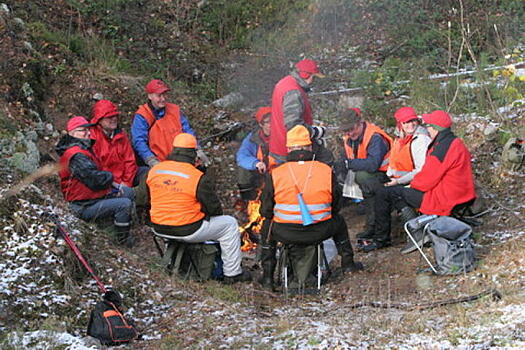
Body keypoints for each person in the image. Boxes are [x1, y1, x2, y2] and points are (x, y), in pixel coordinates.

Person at [259, 125, 363, 291]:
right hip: (319, 231)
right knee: (339, 221)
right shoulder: (326, 171)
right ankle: (348, 264)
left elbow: (265, 210)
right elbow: (336, 206)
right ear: (310, 147)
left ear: (288, 148)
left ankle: (267, 279)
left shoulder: (276, 173)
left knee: (267, 226)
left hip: (285, 232)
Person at [146, 133, 252, 284]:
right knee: (229, 224)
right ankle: (232, 274)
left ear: (174, 149)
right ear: (193, 153)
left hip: (158, 227)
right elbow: (214, 209)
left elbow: (144, 199)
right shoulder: (196, 176)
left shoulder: (156, 170)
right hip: (188, 229)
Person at [373, 110, 476, 254]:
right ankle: (413, 230)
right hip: (461, 193)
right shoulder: (454, 142)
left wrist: (408, 186)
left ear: (435, 128)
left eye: (428, 125)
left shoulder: (441, 148)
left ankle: (408, 235)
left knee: (389, 193)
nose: (426, 128)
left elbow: (426, 180)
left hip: (446, 198)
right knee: (396, 192)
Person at [358, 107, 432, 252]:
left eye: (412, 121)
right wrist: (389, 176)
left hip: (413, 183)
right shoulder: (400, 139)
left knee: (384, 195)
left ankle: (383, 238)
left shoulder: (420, 140)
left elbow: (421, 171)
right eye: (406, 123)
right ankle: (374, 229)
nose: (410, 125)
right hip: (399, 180)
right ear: (400, 124)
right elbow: (394, 162)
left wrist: (397, 182)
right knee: (374, 187)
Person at [56, 116, 134, 247]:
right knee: (124, 204)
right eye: (82, 130)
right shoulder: (76, 155)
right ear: (71, 133)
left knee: (128, 192)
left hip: (91, 198)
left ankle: (121, 228)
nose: (87, 133)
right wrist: (110, 178)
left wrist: (114, 185)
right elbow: (95, 180)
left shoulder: (83, 149)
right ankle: (122, 241)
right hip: (82, 205)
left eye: (88, 130)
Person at [334, 108, 392, 242]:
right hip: (370, 174)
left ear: (360, 123)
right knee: (358, 179)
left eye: (351, 128)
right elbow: (346, 159)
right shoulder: (350, 138)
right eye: (345, 130)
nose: (349, 133)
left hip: (387, 175)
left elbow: (373, 164)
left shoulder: (374, 137)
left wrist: (348, 164)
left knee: (364, 179)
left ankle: (376, 228)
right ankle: (371, 226)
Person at [131, 79, 208, 167]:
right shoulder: (142, 116)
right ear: (150, 96)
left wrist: (197, 149)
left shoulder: (174, 110)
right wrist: (151, 160)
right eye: (159, 95)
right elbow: (139, 141)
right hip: (160, 163)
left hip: (183, 160)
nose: (163, 99)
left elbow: (187, 131)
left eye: (164, 94)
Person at [269, 59, 331, 165]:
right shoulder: (294, 92)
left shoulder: (285, 83)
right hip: (292, 149)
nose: (313, 81)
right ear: (306, 75)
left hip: (278, 143)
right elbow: (294, 125)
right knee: (325, 161)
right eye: (313, 77)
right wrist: (316, 132)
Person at [90, 99, 148, 187]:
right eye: (109, 117)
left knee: (148, 173)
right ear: (99, 120)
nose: (114, 119)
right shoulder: (92, 138)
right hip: (108, 183)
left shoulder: (121, 135)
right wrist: (117, 184)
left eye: (115, 116)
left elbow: (130, 161)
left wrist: (127, 183)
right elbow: (99, 169)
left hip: (126, 179)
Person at [235, 106, 271, 200]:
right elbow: (241, 156)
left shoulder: (282, 135)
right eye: (268, 122)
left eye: (273, 120)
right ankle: (249, 201)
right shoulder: (252, 138)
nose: (271, 124)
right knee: (243, 170)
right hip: (261, 173)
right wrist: (256, 163)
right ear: (261, 124)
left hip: (278, 173)